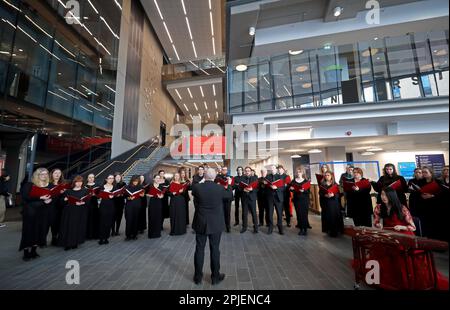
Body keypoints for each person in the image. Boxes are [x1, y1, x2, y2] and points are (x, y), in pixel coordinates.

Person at [192, 168, 232, 285]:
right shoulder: (219, 188)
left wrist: (202, 180)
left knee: (199, 249)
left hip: (201, 222)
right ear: (215, 177)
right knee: (215, 250)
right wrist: (229, 185)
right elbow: (229, 195)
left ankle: (197, 277)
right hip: (215, 223)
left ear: (204, 176)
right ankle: (215, 277)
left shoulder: (197, 188)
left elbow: (194, 190)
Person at [19, 168, 53, 261]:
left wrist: (49, 200)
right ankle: (26, 253)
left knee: (39, 231)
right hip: (30, 212)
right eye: (42, 174)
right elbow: (25, 197)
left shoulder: (49, 185)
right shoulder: (29, 185)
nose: (44, 176)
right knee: (28, 231)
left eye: (46, 174)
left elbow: (51, 196)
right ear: (37, 175)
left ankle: (34, 251)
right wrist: (40, 197)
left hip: (43, 212)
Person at [60, 176, 88, 251]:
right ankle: (67, 244)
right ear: (74, 182)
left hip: (79, 211)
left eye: (81, 182)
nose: (79, 183)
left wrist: (83, 202)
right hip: (69, 212)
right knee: (68, 227)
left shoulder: (85, 191)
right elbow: (61, 202)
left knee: (77, 227)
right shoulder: (68, 191)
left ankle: (75, 242)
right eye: (77, 182)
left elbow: (87, 202)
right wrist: (65, 199)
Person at [418, 166, 441, 239]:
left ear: (431, 173)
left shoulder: (438, 181)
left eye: (426, 172)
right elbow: (418, 192)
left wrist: (432, 196)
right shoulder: (420, 182)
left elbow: (443, 194)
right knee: (426, 224)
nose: (424, 174)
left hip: (435, 206)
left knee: (435, 224)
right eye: (423, 172)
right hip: (424, 206)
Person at [319, 171, 343, 237]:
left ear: (331, 176)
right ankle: (328, 230)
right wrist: (325, 195)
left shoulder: (335, 184)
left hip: (334, 204)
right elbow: (320, 193)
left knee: (334, 217)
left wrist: (333, 195)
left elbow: (339, 194)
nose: (327, 176)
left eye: (328, 175)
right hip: (326, 203)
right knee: (327, 217)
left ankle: (335, 231)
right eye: (326, 175)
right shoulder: (322, 184)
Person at [47, 169, 67, 246]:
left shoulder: (63, 185)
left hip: (59, 207)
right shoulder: (48, 184)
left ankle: (54, 238)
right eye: (55, 173)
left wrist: (63, 193)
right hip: (49, 206)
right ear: (52, 174)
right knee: (46, 224)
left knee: (56, 224)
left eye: (59, 173)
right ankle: (41, 240)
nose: (57, 174)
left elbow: (65, 197)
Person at [290, 166, 310, 236]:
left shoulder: (306, 181)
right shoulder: (293, 180)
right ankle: (301, 229)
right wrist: (291, 188)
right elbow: (290, 189)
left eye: (300, 172)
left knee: (304, 215)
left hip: (304, 200)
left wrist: (303, 190)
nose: (298, 173)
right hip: (297, 200)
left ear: (302, 172)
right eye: (297, 172)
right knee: (299, 215)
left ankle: (305, 229)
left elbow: (308, 192)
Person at [124, 175, 144, 241]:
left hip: (137, 205)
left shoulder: (140, 187)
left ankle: (134, 235)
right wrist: (129, 197)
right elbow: (125, 196)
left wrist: (142, 195)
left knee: (136, 220)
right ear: (132, 180)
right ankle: (128, 235)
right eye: (134, 181)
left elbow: (142, 195)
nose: (135, 182)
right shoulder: (127, 187)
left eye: (137, 181)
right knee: (129, 220)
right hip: (129, 205)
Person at [265, 165, 284, 235]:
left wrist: (276, 188)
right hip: (270, 198)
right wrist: (267, 185)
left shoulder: (280, 177)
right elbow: (265, 188)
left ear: (276, 169)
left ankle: (280, 228)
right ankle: (270, 228)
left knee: (279, 214)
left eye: (273, 168)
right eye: (271, 168)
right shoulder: (268, 177)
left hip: (278, 198)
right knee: (270, 213)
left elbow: (283, 188)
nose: (272, 170)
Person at [98, 175, 116, 245]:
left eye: (112, 178)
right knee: (102, 222)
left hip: (111, 206)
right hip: (103, 206)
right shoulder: (102, 187)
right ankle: (101, 238)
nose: (111, 180)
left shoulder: (114, 187)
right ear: (106, 179)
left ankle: (106, 238)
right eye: (110, 178)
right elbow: (99, 196)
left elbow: (117, 196)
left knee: (109, 222)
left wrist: (114, 196)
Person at [215, 166, 233, 233]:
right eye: (223, 170)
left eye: (225, 170)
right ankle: (221, 226)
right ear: (221, 170)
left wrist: (229, 184)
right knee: (220, 213)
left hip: (228, 198)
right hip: (220, 198)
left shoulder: (231, 177)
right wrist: (220, 185)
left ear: (227, 170)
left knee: (227, 213)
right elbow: (215, 186)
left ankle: (228, 227)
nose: (224, 171)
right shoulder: (217, 178)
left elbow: (232, 187)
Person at [85, 174, 100, 240]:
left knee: (94, 219)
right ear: (87, 178)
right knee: (87, 219)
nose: (91, 178)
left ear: (94, 178)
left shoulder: (97, 186)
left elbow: (99, 196)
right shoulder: (84, 186)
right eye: (89, 177)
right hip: (86, 205)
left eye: (92, 177)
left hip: (94, 204)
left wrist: (95, 195)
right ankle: (87, 235)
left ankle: (94, 235)